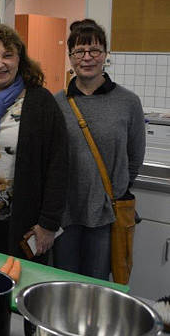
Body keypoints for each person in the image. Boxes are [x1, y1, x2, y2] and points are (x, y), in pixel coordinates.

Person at [0, 25, 68, 259]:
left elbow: (58, 165)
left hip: (25, 224)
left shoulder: (40, 101)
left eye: (7, 55)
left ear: (19, 59)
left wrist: (49, 223)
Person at [53, 19, 144, 279]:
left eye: (94, 50)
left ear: (105, 54)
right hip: (65, 215)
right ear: (70, 57)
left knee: (97, 287)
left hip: (106, 215)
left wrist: (112, 193)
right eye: (79, 51)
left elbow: (135, 157)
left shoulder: (128, 102)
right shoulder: (56, 102)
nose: (87, 58)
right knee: (63, 284)